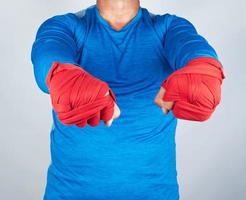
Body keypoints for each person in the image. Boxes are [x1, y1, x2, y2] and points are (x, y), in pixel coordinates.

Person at [31, 0, 225, 199]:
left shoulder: (169, 29)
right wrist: (66, 81)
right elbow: (47, 58)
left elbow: (194, 48)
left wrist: (204, 73)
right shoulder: (66, 27)